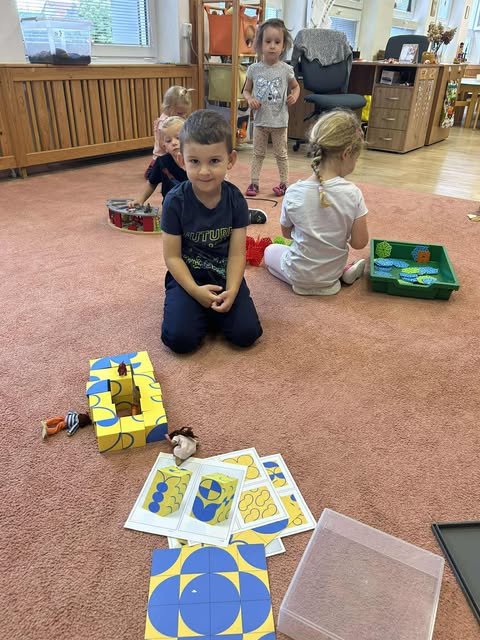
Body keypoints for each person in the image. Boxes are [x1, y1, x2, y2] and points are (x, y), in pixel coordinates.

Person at [160, 109, 263, 354]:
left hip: (224, 277)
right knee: (180, 340)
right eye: (195, 161)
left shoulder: (235, 200)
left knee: (246, 334)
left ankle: (208, 312)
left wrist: (233, 290)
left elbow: (237, 254)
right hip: (188, 279)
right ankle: (197, 310)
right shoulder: (174, 202)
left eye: (214, 161)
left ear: (231, 159)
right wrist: (195, 291)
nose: (204, 171)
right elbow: (172, 257)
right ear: (182, 160)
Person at [263, 109, 369, 296]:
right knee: (328, 255)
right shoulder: (353, 194)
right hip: (331, 275)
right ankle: (343, 272)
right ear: (346, 153)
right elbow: (359, 243)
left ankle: (301, 281)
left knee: (270, 250)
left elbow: (286, 234)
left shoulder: (293, 192)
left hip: (298, 274)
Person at [243, 18, 300, 198]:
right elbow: (246, 90)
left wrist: (294, 96)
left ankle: (284, 183)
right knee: (257, 154)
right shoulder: (253, 69)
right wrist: (250, 99)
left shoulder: (286, 70)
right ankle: (254, 182)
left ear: (283, 46)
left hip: (279, 121)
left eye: (277, 42)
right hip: (260, 121)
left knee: (281, 154)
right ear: (260, 44)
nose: (272, 46)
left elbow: (296, 87)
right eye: (268, 41)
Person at [130, 117, 187, 207]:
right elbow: (152, 183)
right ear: (164, 146)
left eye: (178, 138)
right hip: (170, 207)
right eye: (168, 141)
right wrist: (141, 199)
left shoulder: (195, 161)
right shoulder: (162, 162)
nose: (174, 142)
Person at [144, 85, 194, 179]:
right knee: (153, 174)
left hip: (177, 155)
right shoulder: (164, 123)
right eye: (180, 113)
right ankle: (152, 168)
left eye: (186, 113)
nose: (183, 116)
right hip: (163, 156)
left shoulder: (180, 120)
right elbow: (162, 145)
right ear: (169, 108)